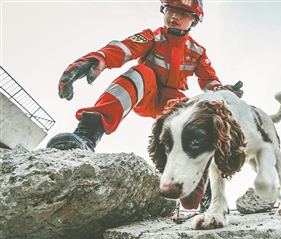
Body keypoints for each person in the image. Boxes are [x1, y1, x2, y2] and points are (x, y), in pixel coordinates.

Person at [47, 0, 242, 152]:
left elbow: (209, 80)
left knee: (195, 111)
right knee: (141, 72)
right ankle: (86, 136)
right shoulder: (152, 36)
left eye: (182, 13)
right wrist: (97, 58)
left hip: (173, 103)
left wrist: (224, 91)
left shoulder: (197, 51)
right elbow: (124, 48)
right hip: (146, 94)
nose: (174, 16)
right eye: (170, 10)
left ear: (194, 20)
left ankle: (197, 174)